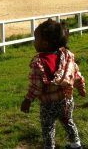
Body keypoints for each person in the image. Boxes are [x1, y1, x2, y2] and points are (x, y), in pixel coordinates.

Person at [20, 19, 86, 149]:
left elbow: (36, 86)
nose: (34, 42)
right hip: (66, 100)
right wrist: (81, 87)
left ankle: (49, 146)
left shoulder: (39, 62)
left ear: (44, 44)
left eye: (35, 39)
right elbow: (75, 74)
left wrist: (28, 99)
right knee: (68, 121)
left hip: (48, 104)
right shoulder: (66, 56)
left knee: (48, 126)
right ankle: (76, 145)